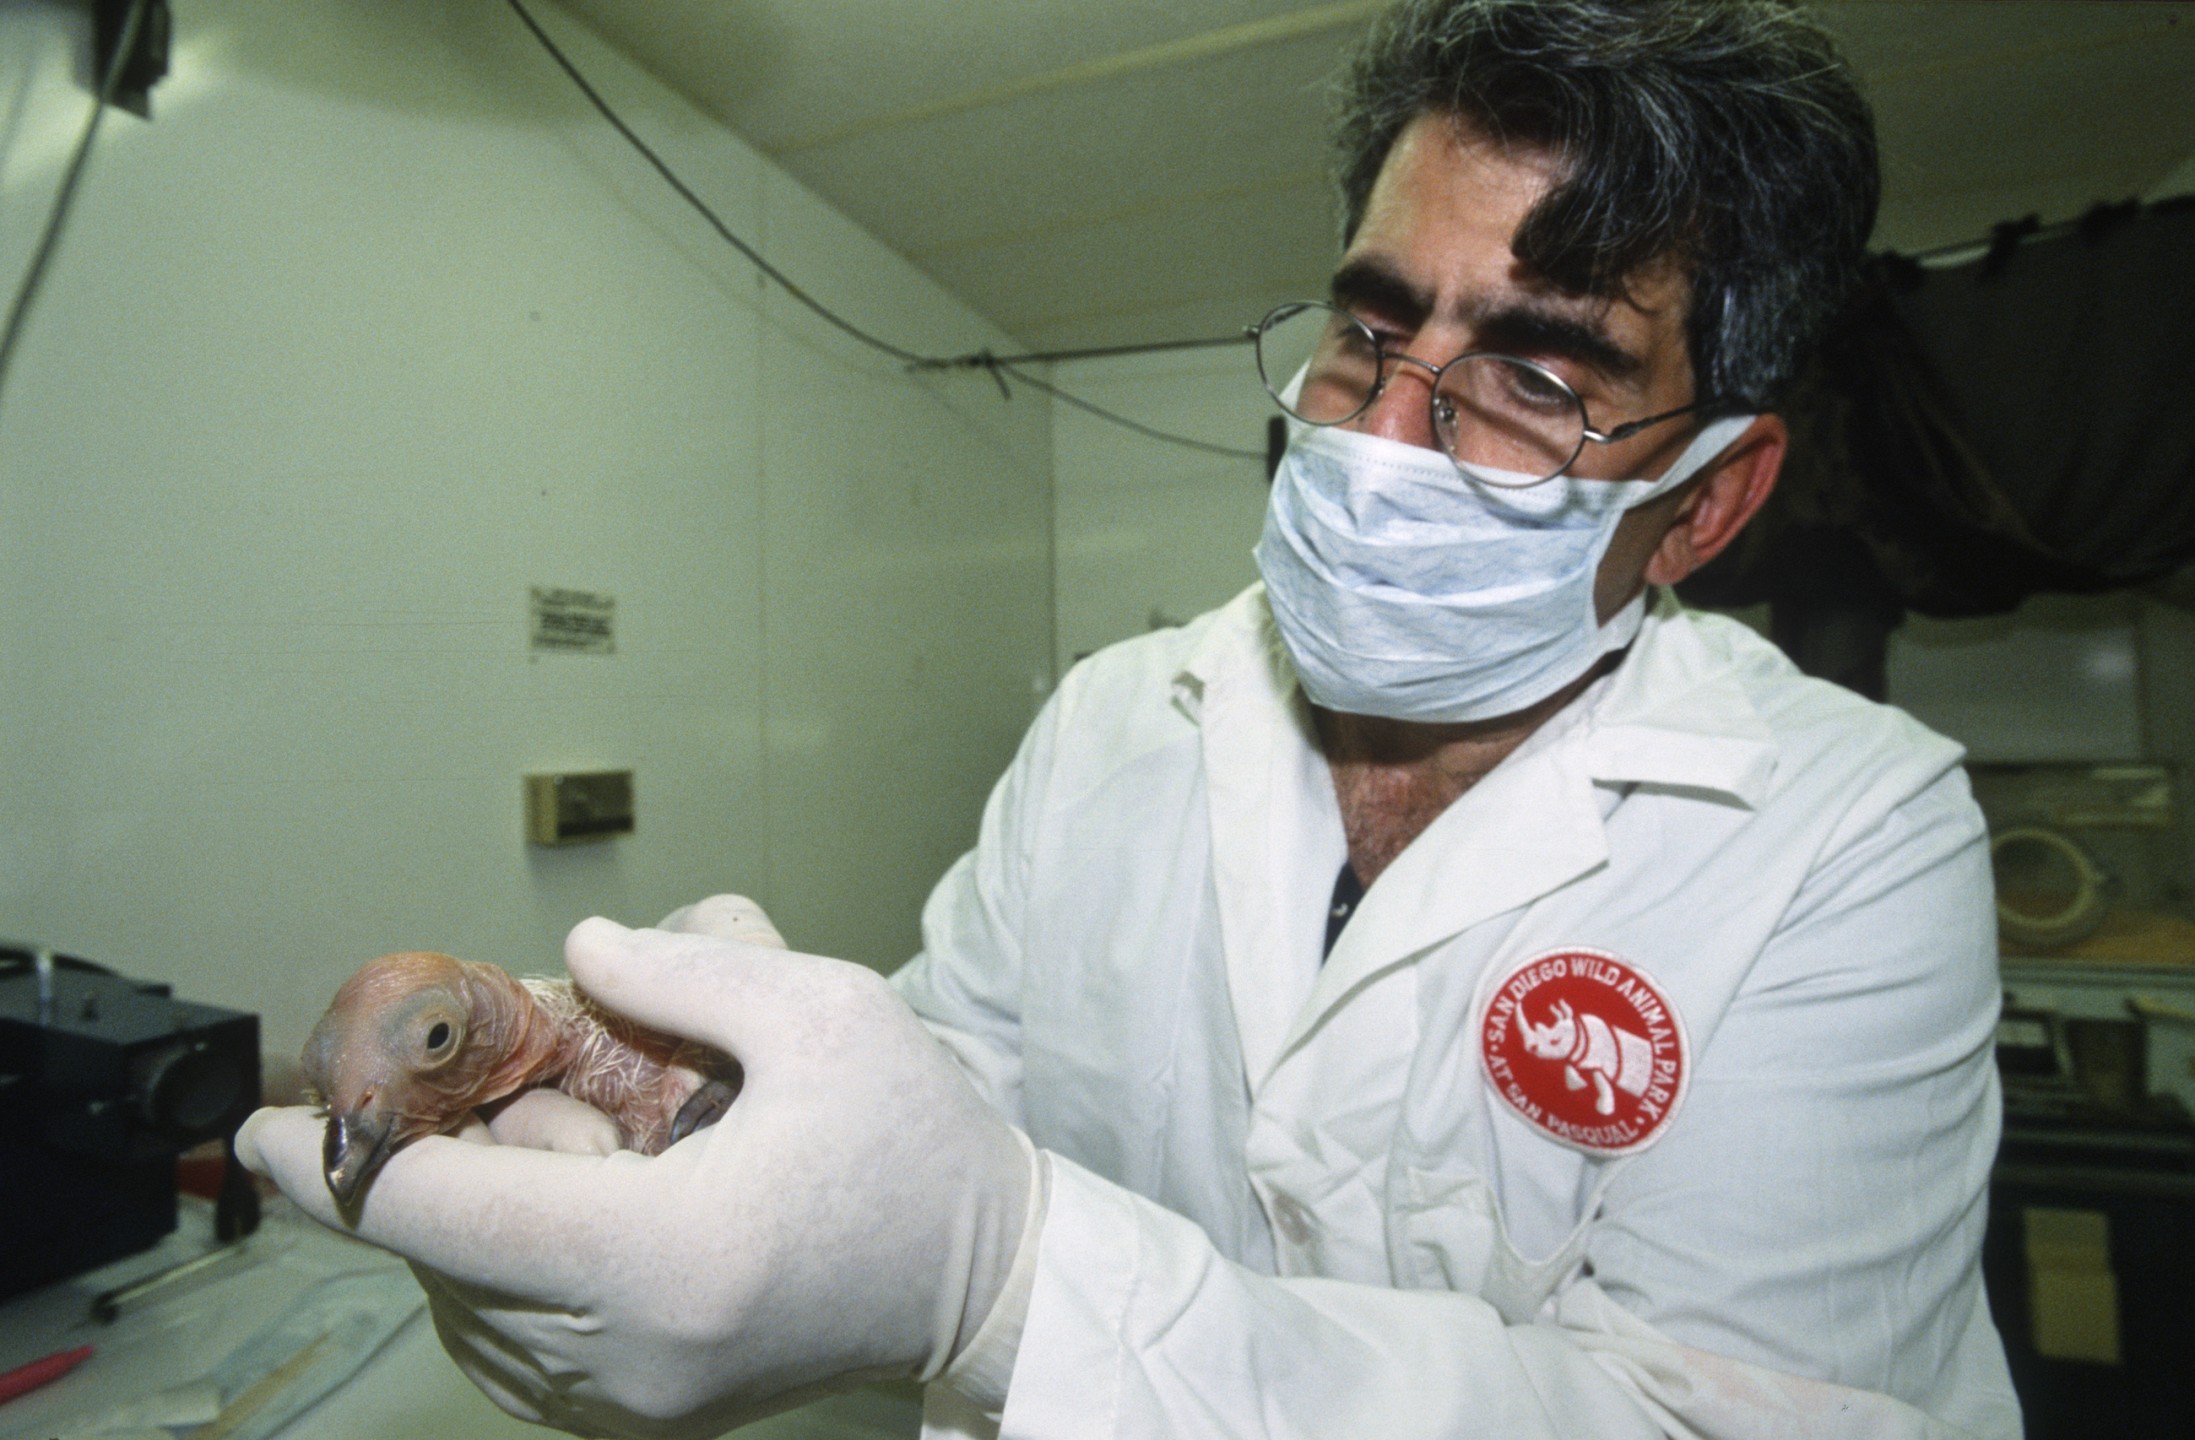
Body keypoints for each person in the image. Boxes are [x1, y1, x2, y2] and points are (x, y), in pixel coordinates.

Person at [239, 1, 2022, 1436]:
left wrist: (1005, 1281)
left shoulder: (1848, 832)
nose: (1383, 440)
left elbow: (1730, 1416)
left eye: (1537, 381)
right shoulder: (1114, 722)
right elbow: (942, 1105)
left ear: (1708, 502)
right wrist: (670, 1101)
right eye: (1367, 333)